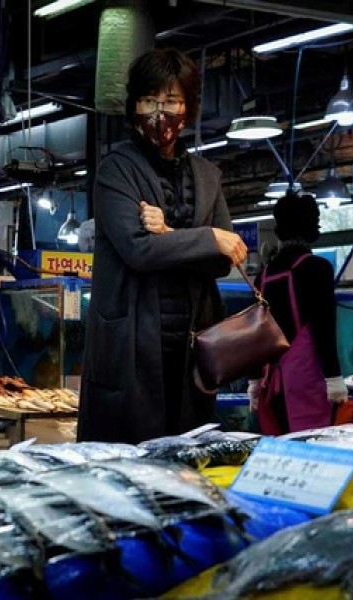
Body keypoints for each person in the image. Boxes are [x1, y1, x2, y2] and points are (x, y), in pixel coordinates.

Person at [77, 48, 248, 444]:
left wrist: (170, 233)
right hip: (132, 346)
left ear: (188, 107)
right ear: (133, 106)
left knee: (188, 456)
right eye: (149, 100)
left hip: (193, 347)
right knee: (128, 461)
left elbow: (225, 260)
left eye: (171, 100)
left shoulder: (208, 176)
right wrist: (206, 238)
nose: (159, 112)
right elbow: (138, 250)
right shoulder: (116, 170)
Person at [248, 190, 347, 434]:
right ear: (311, 226)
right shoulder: (317, 268)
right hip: (307, 380)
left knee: (280, 449)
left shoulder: (265, 273)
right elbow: (325, 327)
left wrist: (254, 380)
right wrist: (334, 378)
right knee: (312, 448)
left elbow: (254, 332)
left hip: (271, 380)